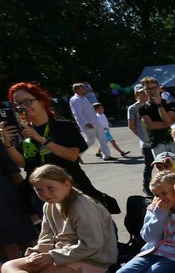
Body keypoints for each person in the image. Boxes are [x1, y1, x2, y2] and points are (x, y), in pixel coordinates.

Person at [5, 82, 116, 212]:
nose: (22, 107)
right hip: (43, 196)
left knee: (96, 229)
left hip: (73, 190)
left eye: (27, 101)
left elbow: (72, 156)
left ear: (42, 101)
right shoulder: (21, 132)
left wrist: (41, 139)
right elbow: (23, 164)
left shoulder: (63, 127)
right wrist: (7, 143)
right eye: (16, 104)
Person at [139, 76, 175, 156]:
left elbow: (168, 121)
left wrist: (159, 104)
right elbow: (151, 126)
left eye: (154, 88)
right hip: (157, 145)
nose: (152, 91)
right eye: (148, 88)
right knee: (163, 168)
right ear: (144, 90)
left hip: (174, 142)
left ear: (159, 88)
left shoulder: (170, 103)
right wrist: (169, 123)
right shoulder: (142, 108)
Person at [68, 82, 107, 159]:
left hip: (95, 122)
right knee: (90, 140)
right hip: (88, 124)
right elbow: (78, 113)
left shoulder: (84, 98)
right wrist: (86, 123)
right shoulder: (75, 99)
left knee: (103, 139)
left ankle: (107, 155)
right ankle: (77, 155)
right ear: (77, 90)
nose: (86, 90)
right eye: (83, 88)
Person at [128, 83, 153, 194]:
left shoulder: (152, 104)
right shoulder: (133, 108)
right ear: (135, 94)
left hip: (158, 140)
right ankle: (146, 187)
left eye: (144, 91)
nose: (143, 94)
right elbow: (131, 125)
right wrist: (141, 136)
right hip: (146, 143)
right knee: (149, 166)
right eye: (140, 92)